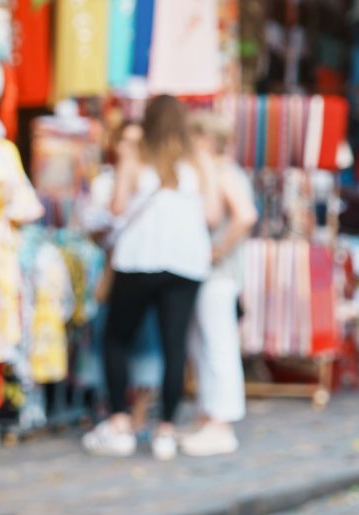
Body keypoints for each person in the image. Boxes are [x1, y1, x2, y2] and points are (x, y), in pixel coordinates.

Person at [82, 95, 218, 461]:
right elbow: (212, 214)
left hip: (139, 259)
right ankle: (166, 430)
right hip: (185, 262)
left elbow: (116, 207)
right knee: (174, 344)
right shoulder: (197, 159)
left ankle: (120, 422)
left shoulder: (136, 155)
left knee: (116, 338)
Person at [179, 112, 258, 457]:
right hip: (213, 273)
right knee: (206, 345)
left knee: (217, 345)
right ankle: (211, 417)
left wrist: (218, 250)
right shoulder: (217, 172)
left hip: (219, 274)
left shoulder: (223, 172)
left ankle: (220, 423)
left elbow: (245, 215)